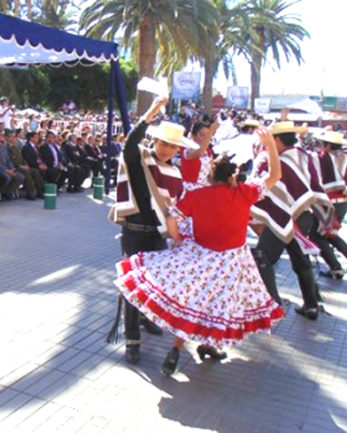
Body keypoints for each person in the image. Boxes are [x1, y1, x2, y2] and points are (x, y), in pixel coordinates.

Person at [115, 129, 285, 377]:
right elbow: (275, 175)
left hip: (201, 258)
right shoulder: (244, 192)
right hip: (232, 262)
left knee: (193, 303)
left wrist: (178, 238)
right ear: (233, 176)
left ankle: (181, 348)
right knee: (218, 307)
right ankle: (203, 346)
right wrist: (270, 144)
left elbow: (173, 217)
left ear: (211, 175)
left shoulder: (198, 195)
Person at [106, 97, 195, 365]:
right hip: (134, 232)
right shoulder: (141, 160)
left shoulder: (176, 173)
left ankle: (147, 319)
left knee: (155, 285)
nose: (168, 149)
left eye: (173, 145)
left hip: (158, 235)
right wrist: (151, 112)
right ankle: (132, 341)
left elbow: (176, 209)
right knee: (132, 288)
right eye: (164, 143)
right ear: (155, 141)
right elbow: (131, 144)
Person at [250, 121, 329, 321]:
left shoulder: (277, 160)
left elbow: (265, 185)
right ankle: (311, 305)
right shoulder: (304, 155)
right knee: (301, 261)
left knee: (262, 256)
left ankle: (273, 304)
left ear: (276, 139)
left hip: (285, 216)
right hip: (303, 213)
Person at [311, 131, 347, 279]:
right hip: (342, 203)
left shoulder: (322, 158)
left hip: (327, 203)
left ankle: (336, 267)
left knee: (316, 235)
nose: (321, 147)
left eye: (322, 144)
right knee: (330, 234)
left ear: (328, 145)